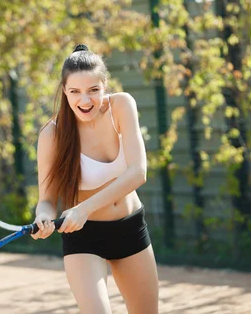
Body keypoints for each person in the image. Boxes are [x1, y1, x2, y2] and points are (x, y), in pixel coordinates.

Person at [31, 44, 159, 313]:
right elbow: (47, 200)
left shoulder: (122, 105)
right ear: (64, 92)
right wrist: (43, 216)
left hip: (129, 229)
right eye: (75, 92)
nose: (85, 101)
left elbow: (138, 172)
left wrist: (84, 209)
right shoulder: (51, 135)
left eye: (93, 90)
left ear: (105, 86)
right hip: (83, 238)